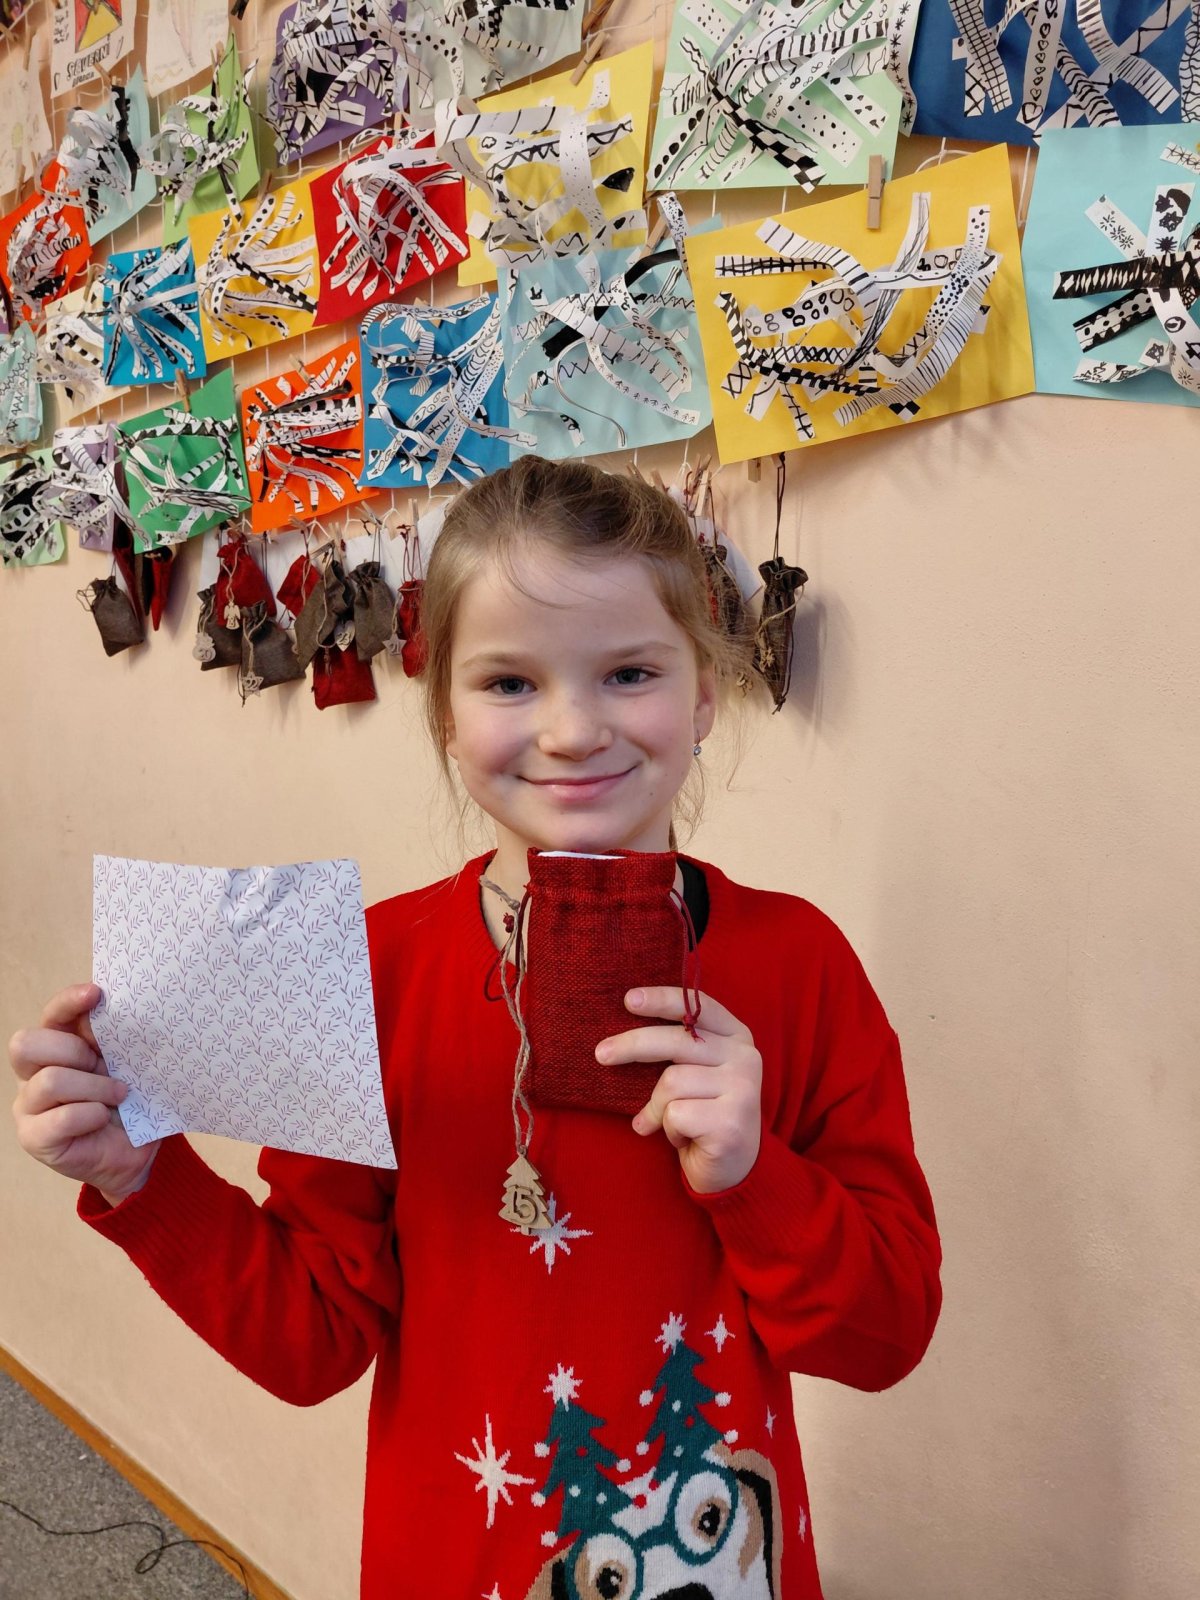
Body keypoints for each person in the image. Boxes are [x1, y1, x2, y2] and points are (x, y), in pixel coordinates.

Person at [9, 456, 941, 1599]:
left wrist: (757, 1178)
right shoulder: (370, 971)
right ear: (446, 714)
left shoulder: (800, 966)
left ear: (704, 691)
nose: (573, 729)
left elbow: (885, 1337)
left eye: (630, 672)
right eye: (509, 681)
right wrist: (141, 1174)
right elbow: (312, 1341)